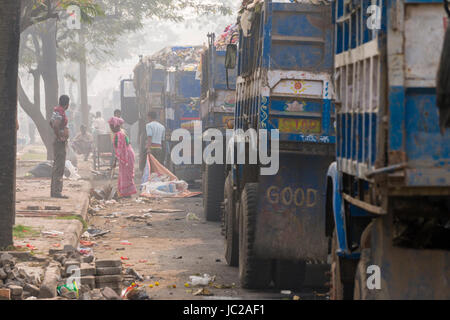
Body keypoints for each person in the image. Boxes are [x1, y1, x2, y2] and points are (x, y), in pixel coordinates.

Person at [109, 117, 137, 198]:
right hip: (128, 154)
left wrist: (114, 161)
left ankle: (127, 193)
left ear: (115, 126)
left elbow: (119, 150)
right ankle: (126, 192)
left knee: (126, 174)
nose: (110, 128)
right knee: (125, 174)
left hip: (126, 155)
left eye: (111, 126)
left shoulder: (119, 135)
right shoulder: (122, 133)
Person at [50, 95, 70, 199]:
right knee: (59, 167)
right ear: (67, 104)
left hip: (58, 141)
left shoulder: (56, 111)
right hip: (59, 143)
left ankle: (54, 191)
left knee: (56, 166)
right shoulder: (60, 112)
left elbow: (51, 123)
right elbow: (55, 125)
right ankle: (57, 192)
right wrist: (60, 136)